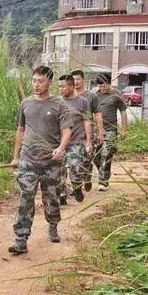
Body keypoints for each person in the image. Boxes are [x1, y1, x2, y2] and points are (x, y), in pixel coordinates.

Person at [7, 66, 72, 254]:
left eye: (40, 81)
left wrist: (61, 148)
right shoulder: (26, 103)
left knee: (50, 197)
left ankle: (53, 224)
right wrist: (16, 156)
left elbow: (67, 130)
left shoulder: (59, 105)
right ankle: (21, 239)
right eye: (34, 80)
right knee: (26, 197)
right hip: (28, 160)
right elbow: (20, 130)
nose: (36, 85)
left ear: (49, 82)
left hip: (51, 161)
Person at [57, 74, 92, 205]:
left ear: (71, 86)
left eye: (63, 86)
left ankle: (77, 187)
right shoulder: (57, 102)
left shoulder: (82, 102)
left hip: (76, 142)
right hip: (60, 143)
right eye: (59, 87)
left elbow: (87, 121)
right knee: (59, 171)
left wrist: (88, 141)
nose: (61, 89)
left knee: (75, 169)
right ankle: (61, 195)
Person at [70, 70, 104, 191]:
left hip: (88, 132)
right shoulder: (68, 95)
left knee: (87, 157)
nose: (76, 82)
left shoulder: (91, 96)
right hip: (72, 132)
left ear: (83, 80)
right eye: (73, 79)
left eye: (78, 79)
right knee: (73, 160)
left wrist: (101, 132)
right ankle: (76, 184)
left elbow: (98, 114)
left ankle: (87, 176)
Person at [93, 74, 128, 191]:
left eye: (104, 86)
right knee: (95, 156)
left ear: (109, 83)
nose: (102, 88)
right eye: (100, 86)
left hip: (111, 130)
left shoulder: (116, 95)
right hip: (96, 130)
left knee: (106, 154)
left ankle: (103, 181)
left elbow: (123, 112)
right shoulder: (95, 95)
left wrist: (124, 130)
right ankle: (105, 172)